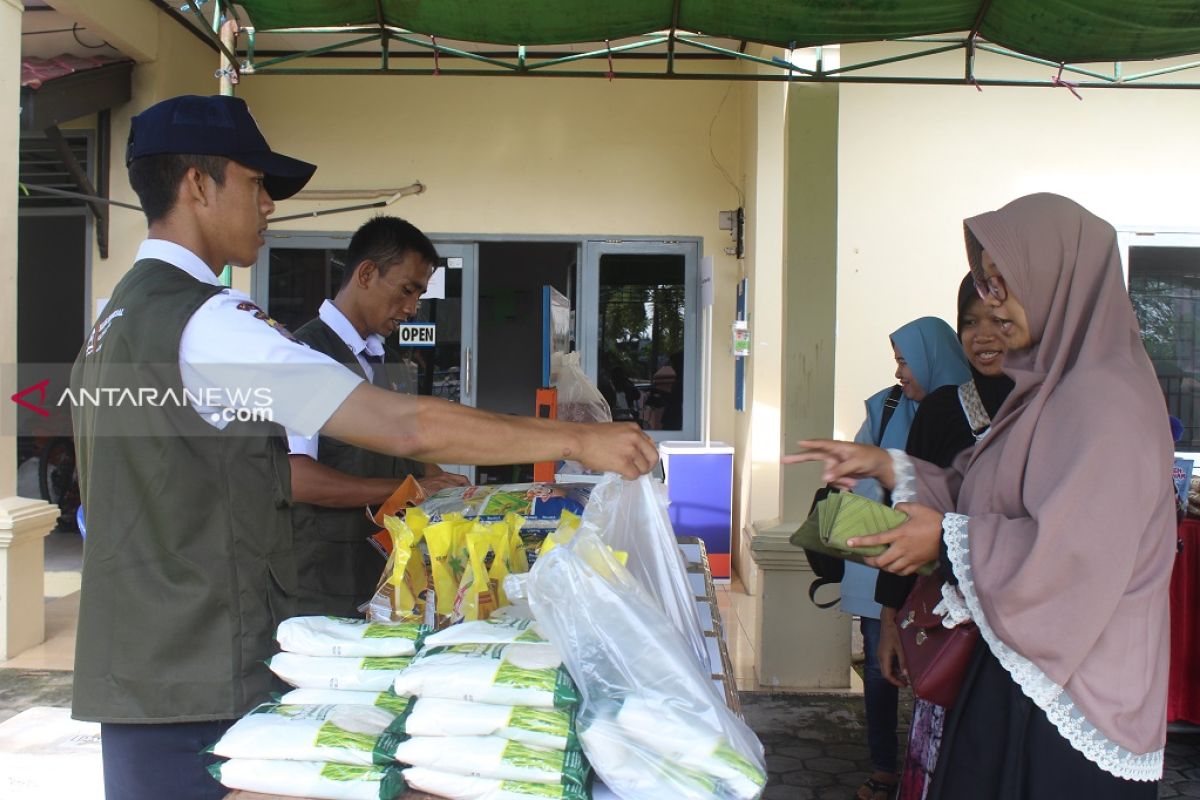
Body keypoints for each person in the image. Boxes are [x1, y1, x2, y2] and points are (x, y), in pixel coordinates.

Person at [69, 94, 658, 800]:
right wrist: (576, 439)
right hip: (198, 664)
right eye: (257, 186)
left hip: (140, 659)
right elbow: (400, 425)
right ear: (198, 185)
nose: (269, 208)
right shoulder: (208, 326)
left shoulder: (121, 317)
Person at [788, 193, 1174, 798]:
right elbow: (984, 495)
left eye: (1004, 285)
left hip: (1075, 692)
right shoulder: (1047, 390)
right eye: (985, 287)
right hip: (1023, 667)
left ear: (1058, 280)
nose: (992, 305)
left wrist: (941, 538)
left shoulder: (1106, 401)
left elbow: (1074, 555)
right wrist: (889, 465)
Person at [286, 215, 470, 617]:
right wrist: (412, 488)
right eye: (406, 290)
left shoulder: (388, 361)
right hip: (324, 584)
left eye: (419, 294)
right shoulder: (303, 357)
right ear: (367, 273)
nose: (411, 308)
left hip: (387, 578)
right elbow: (296, 478)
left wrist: (452, 492)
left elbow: (412, 447)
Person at [874, 276, 1014, 800]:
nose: (983, 336)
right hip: (950, 621)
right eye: (970, 322)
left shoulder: (1051, 410)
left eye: (998, 321)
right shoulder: (941, 410)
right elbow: (907, 515)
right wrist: (890, 621)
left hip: (1026, 626)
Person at [844, 317, 970, 800]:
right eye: (896, 360)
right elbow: (863, 475)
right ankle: (884, 768)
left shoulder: (977, 411)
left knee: (946, 671)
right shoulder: (888, 405)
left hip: (953, 572)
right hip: (893, 565)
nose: (899, 372)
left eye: (904, 360)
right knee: (882, 665)